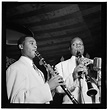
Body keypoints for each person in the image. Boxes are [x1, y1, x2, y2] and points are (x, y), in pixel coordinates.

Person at [6, 35, 64, 103]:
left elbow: (43, 98)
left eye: (36, 44)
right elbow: (16, 101)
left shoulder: (39, 72)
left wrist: (52, 87)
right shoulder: (15, 68)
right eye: (31, 43)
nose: (35, 46)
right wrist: (48, 87)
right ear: (21, 46)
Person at [55, 37, 100, 104]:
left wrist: (95, 71)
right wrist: (73, 76)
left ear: (84, 47)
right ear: (69, 48)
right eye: (74, 44)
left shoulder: (93, 63)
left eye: (80, 44)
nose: (78, 46)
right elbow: (58, 89)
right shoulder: (60, 66)